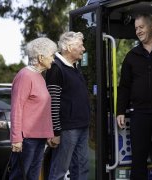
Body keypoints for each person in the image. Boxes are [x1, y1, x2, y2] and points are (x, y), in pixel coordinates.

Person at [116, 13, 152, 180]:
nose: (138, 31)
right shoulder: (131, 56)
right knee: (138, 159)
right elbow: (124, 86)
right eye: (136, 28)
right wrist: (120, 111)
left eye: (141, 27)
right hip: (139, 114)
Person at [10, 37, 57, 180]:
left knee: (33, 176)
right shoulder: (25, 75)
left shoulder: (39, 77)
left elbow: (42, 109)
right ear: (41, 57)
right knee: (19, 176)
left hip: (39, 137)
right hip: (27, 139)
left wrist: (49, 133)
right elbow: (16, 108)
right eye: (52, 55)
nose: (53, 59)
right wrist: (16, 139)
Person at [46, 31, 90, 180]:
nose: (83, 49)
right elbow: (53, 103)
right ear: (70, 48)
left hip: (82, 125)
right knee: (59, 171)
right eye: (80, 45)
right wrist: (55, 132)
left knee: (82, 168)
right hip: (67, 129)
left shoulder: (75, 67)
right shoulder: (56, 68)